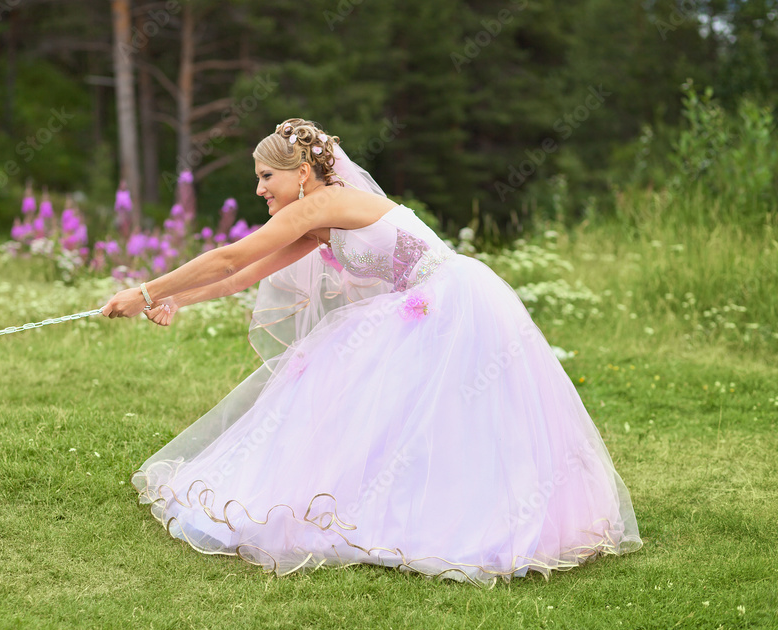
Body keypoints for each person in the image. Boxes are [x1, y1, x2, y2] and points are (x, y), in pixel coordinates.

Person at [101, 118, 642, 586]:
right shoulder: (319, 223)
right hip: (423, 305)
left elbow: (227, 255)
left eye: (267, 176)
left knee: (442, 412)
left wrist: (145, 290)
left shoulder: (328, 202)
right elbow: (240, 273)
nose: (260, 189)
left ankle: (476, 522)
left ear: (303, 172)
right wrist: (174, 299)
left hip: (451, 300)